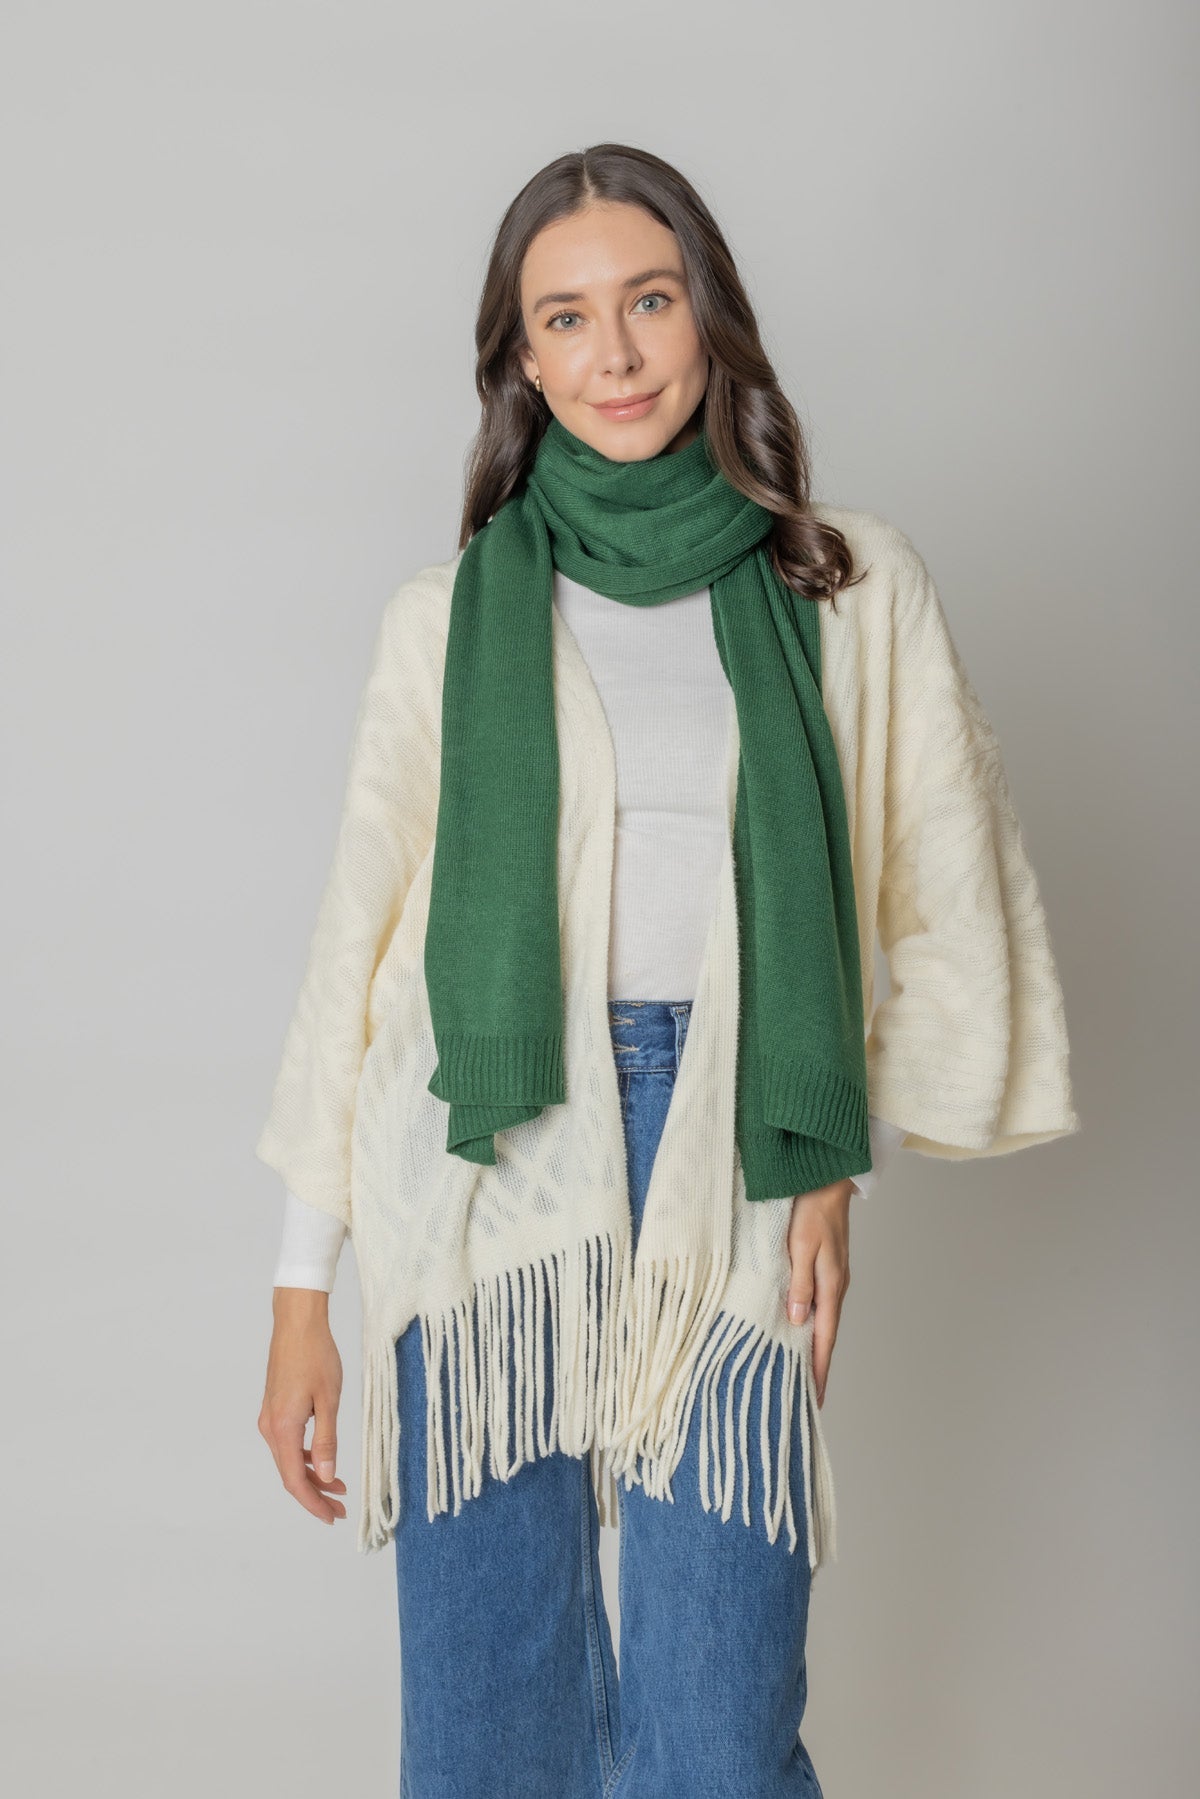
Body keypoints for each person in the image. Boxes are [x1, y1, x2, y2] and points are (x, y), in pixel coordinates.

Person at [255, 142, 1079, 1798]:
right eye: (566, 318)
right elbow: (361, 943)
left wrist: (836, 1159)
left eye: (649, 301)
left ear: (710, 314)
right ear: (521, 357)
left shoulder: (844, 583)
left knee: (717, 1730)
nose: (615, 355)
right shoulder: (448, 616)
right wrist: (299, 1293)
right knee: (488, 1731)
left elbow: (945, 883)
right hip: (482, 1169)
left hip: (737, 1146)